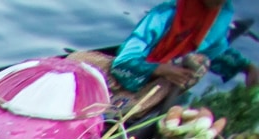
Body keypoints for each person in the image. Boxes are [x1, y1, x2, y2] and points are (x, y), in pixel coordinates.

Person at [104, 0, 257, 93]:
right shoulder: (165, 14)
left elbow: (214, 50)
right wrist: (159, 69)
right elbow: (123, 62)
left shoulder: (217, 17)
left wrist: (246, 67)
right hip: (132, 87)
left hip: (168, 94)